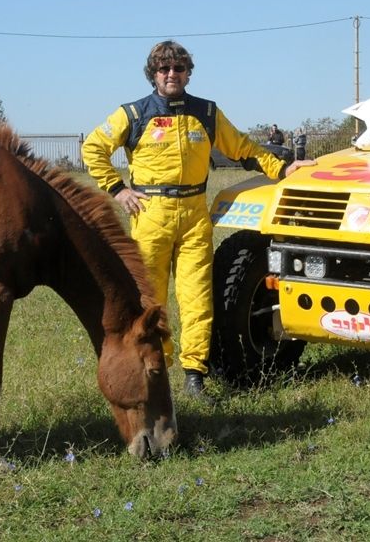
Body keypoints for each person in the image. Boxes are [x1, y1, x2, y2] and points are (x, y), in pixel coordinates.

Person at [82, 41, 315, 400]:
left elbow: (244, 149)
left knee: (197, 299)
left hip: (193, 215)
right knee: (149, 304)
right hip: (149, 215)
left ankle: (194, 377)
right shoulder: (133, 113)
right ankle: (153, 374)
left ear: (188, 72)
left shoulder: (206, 112)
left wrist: (283, 168)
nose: (171, 75)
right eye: (164, 69)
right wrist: (118, 189)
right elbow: (93, 148)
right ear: (153, 75)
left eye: (178, 68)